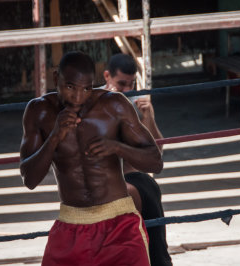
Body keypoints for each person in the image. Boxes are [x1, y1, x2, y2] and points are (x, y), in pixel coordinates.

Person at [19, 51, 163, 266]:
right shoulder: (39, 111)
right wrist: (55, 136)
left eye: (86, 88)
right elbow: (29, 179)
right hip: (71, 221)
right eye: (70, 87)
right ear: (56, 78)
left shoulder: (114, 105)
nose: (78, 97)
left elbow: (155, 162)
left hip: (119, 221)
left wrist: (117, 147)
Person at [102, 53, 173, 266]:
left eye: (130, 84)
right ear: (107, 76)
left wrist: (148, 117)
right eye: (121, 84)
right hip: (105, 180)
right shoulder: (94, 105)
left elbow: (157, 152)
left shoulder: (136, 103)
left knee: (148, 186)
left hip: (135, 177)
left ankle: (160, 260)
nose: (126, 90)